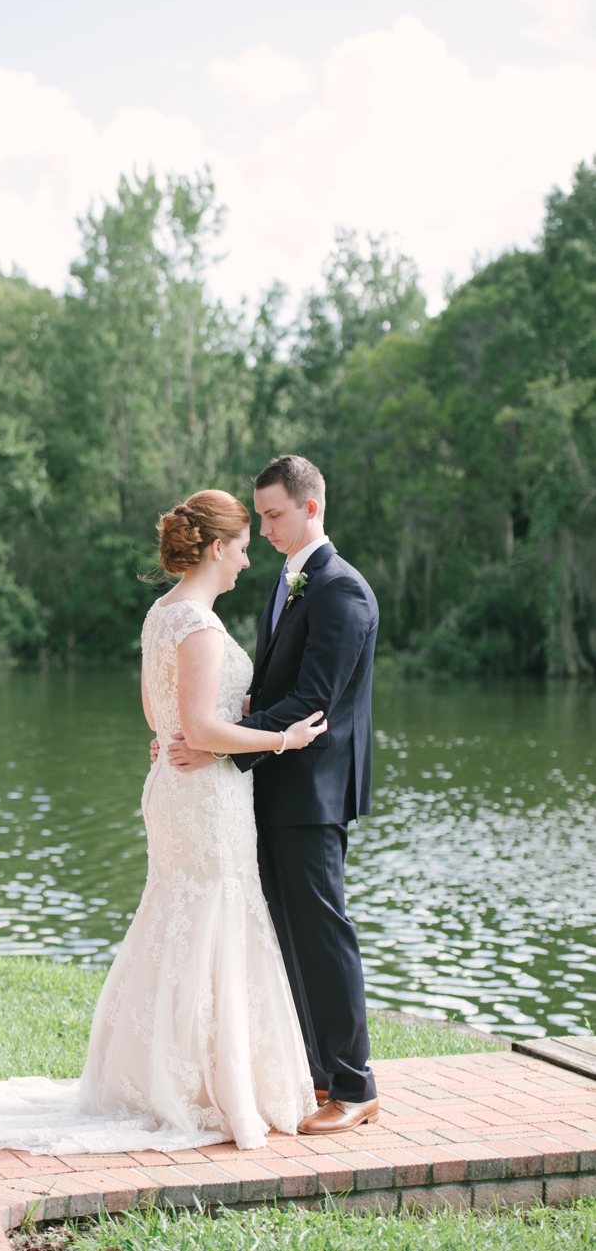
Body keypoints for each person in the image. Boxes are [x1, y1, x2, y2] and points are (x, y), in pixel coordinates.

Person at [0, 489, 325, 1156]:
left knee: (180, 918)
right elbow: (198, 726)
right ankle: (200, 1088)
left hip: (176, 787)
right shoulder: (198, 625)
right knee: (209, 917)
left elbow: (157, 715)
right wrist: (283, 739)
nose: (247, 560)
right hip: (203, 796)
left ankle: (178, 1077)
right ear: (217, 547)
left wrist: (203, 728)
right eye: (242, 547)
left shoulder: (161, 615)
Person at [165, 457, 379, 1135]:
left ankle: (355, 1085)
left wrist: (218, 743)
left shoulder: (342, 591)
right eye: (259, 516)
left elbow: (311, 705)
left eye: (274, 514)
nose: (263, 527)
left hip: (312, 794)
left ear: (311, 509)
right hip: (271, 787)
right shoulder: (287, 586)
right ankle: (317, 1072)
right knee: (288, 935)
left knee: (323, 932)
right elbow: (269, 695)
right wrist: (217, 731)